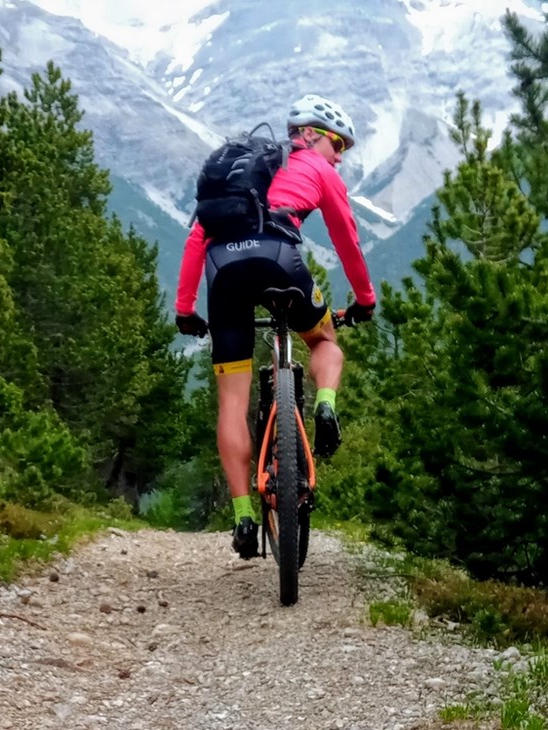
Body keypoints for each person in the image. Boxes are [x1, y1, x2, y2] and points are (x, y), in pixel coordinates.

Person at [172, 94, 377, 559]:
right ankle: (324, 407)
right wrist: (364, 300)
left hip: (223, 274)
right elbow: (347, 240)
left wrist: (185, 309)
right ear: (308, 134)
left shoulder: (239, 175)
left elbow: (196, 238)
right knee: (325, 339)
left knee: (232, 400)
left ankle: (243, 514)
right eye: (336, 142)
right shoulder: (317, 169)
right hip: (280, 261)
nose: (340, 154)